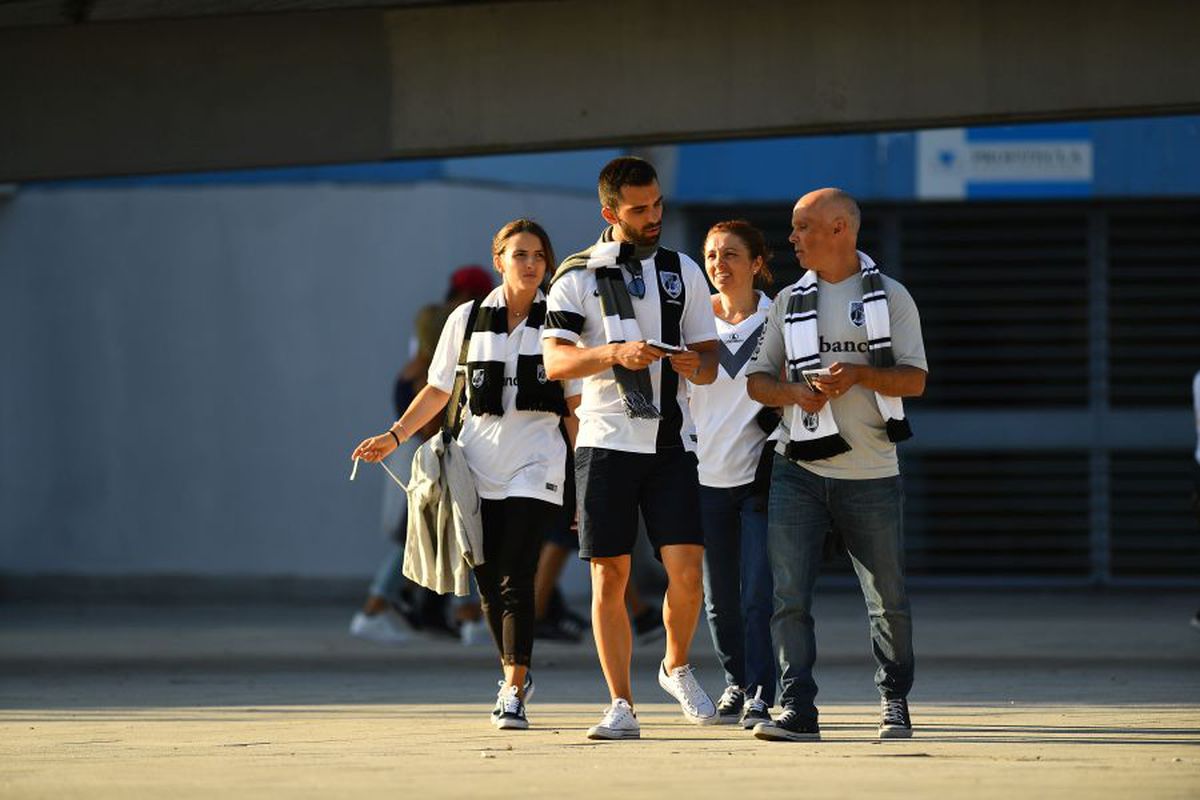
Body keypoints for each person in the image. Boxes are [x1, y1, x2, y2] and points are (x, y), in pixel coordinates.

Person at [352, 219, 578, 730]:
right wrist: (393, 436)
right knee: (488, 583)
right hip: (473, 466)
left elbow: (573, 409)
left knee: (517, 574)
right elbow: (435, 390)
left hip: (537, 465)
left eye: (539, 255)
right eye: (519, 254)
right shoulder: (468, 318)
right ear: (499, 260)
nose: (530, 264)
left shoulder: (561, 321)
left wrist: (586, 476)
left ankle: (514, 689)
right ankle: (513, 669)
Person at [543, 156, 720, 740]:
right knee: (609, 577)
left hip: (671, 439)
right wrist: (614, 355)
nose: (653, 217)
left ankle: (676, 664)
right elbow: (555, 361)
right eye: (639, 209)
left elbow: (710, 357)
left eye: (658, 205)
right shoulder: (577, 275)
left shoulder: (683, 270)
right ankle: (620, 703)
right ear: (609, 212)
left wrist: (697, 365)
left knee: (687, 573)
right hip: (605, 440)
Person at [745, 188, 927, 742]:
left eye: (802, 228)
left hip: (872, 473)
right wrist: (795, 393)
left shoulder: (890, 297)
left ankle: (894, 699)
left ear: (841, 228)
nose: (792, 239)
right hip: (797, 469)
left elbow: (915, 379)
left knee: (887, 600)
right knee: (788, 599)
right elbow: (756, 382)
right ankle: (798, 707)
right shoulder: (786, 301)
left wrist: (859, 374)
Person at [688, 220, 779, 729]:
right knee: (718, 600)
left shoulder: (779, 317)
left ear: (757, 263)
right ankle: (736, 684)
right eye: (711, 256)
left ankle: (764, 692)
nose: (719, 265)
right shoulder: (694, 323)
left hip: (761, 480)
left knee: (756, 595)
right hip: (704, 477)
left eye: (730, 255)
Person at [350, 303, 451, 645]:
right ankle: (375, 607)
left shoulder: (411, 368)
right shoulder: (429, 374)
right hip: (423, 460)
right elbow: (429, 425)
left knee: (419, 535)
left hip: (405, 459)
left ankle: (382, 606)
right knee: (416, 536)